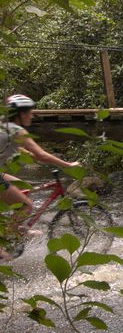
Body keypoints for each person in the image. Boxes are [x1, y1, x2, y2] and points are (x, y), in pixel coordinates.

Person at [0, 94, 81, 261]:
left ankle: (18, 226)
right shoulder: (17, 130)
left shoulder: (4, 126)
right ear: (20, 113)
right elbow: (41, 155)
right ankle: (3, 244)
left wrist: (34, 157)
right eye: (29, 112)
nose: (32, 115)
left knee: (23, 186)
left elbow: (19, 149)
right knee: (26, 204)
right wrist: (68, 165)